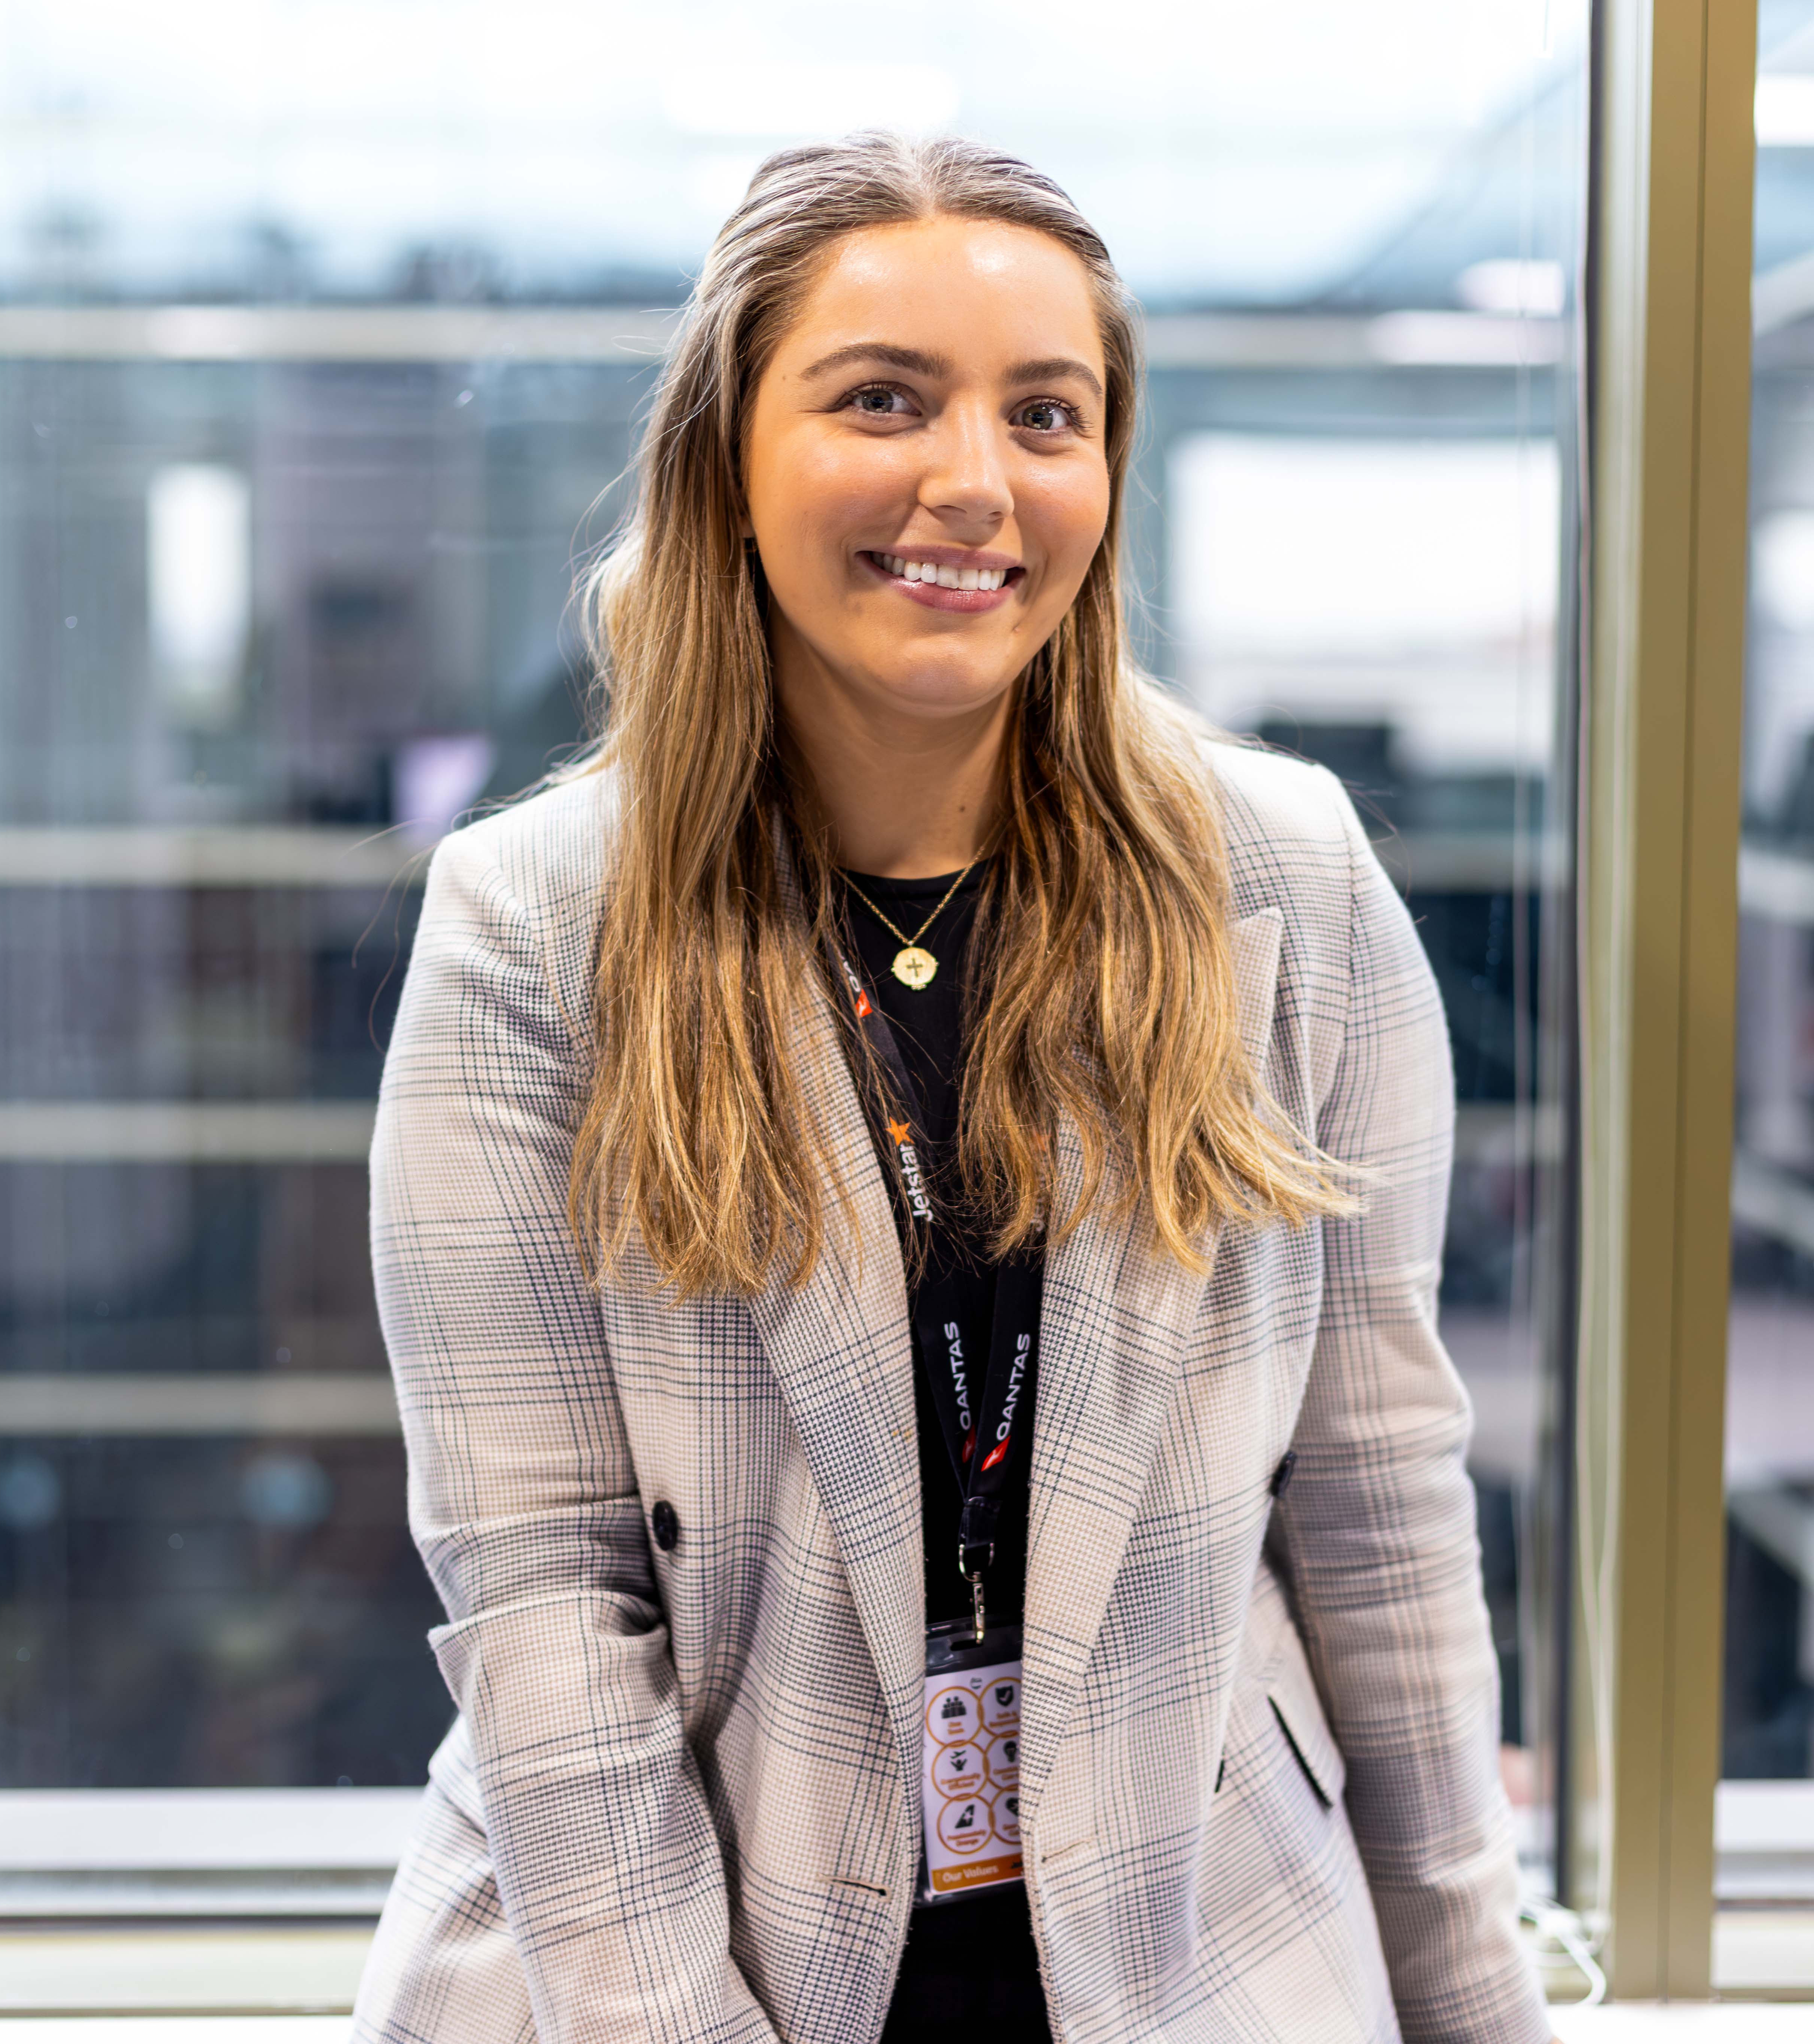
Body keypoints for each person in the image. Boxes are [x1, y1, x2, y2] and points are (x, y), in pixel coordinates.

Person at [351, 132, 1548, 2044]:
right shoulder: (531, 927)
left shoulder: (1287, 880)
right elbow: (542, 1593)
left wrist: (1473, 1999)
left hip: (1200, 1945)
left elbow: (1377, 1501)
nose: (972, 483)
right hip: (667, 1950)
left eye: (1045, 415)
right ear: (725, 455)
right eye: (880, 401)